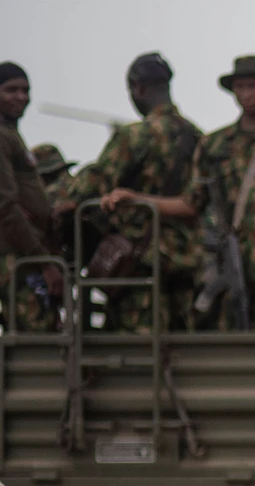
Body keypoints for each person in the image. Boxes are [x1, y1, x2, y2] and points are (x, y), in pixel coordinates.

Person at [104, 55, 255, 332]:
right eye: (241, 87)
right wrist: (136, 199)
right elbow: (190, 204)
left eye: (254, 85)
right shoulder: (215, 145)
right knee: (237, 358)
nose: (247, 94)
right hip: (236, 270)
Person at [59, 53, 202, 332]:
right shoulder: (198, 137)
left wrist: (59, 200)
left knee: (139, 348)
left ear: (138, 88)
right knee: (180, 342)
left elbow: (94, 184)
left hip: (141, 259)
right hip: (186, 259)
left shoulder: (135, 136)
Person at [0, 61, 62, 332]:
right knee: (36, 336)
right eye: (11, 90)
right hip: (18, 255)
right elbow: (4, 205)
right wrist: (43, 262)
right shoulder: (2, 136)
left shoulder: (12, 135)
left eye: (25, 90)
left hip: (26, 252)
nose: (21, 97)